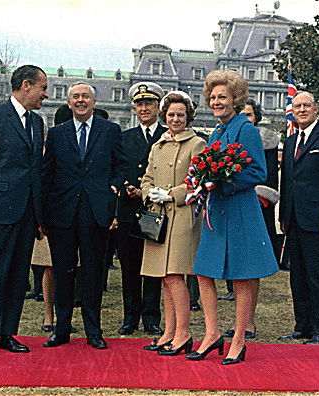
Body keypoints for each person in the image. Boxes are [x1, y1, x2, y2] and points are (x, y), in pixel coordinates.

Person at [189, 71, 278, 365]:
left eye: (222, 97)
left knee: (241, 276)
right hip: (217, 213)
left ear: (235, 99)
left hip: (240, 210)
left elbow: (257, 173)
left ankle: (238, 340)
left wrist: (222, 181)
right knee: (203, 271)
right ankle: (212, 333)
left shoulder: (247, 130)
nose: (216, 102)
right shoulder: (216, 132)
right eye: (213, 97)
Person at [0, 65, 48, 358]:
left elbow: (35, 170)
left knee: (17, 275)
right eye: (42, 87)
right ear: (26, 86)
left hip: (27, 212)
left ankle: (6, 333)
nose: (45, 94)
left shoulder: (37, 123)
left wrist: (39, 215)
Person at [41, 82, 128, 350]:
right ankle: (61, 329)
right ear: (68, 103)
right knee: (63, 272)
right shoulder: (56, 134)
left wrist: (113, 188)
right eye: (75, 96)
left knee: (92, 273)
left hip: (96, 211)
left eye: (85, 96)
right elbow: (47, 173)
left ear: (94, 102)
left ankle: (93, 330)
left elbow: (121, 164)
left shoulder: (110, 130)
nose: (80, 101)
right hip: (62, 213)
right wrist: (43, 214)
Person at [139, 91, 206, 355]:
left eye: (180, 114)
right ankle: (168, 331)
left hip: (181, 216)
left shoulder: (197, 144)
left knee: (175, 276)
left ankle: (183, 333)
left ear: (188, 116)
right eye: (171, 115)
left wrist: (173, 193)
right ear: (164, 116)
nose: (175, 119)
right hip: (158, 217)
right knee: (164, 278)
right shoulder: (158, 145)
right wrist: (150, 192)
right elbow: (146, 176)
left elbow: (198, 180)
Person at [278, 91, 319, 345]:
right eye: (297, 106)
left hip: (318, 219)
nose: (302, 110)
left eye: (307, 105)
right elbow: (287, 182)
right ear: (292, 111)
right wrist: (284, 215)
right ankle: (302, 326)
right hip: (293, 218)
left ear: (316, 109)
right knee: (297, 275)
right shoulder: (291, 141)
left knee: (317, 275)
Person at [222, 98, 279, 340]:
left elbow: (269, 177)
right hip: (231, 204)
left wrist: (259, 195)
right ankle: (239, 319)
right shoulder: (227, 135)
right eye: (241, 114)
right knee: (235, 265)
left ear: (256, 118)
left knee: (250, 267)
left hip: (258, 205)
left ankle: (249, 322)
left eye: (249, 115)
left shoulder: (265, 142)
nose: (245, 119)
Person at [115, 82, 166, 336]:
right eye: (139, 104)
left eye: (149, 103)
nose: (144, 108)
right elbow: (116, 169)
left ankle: (151, 317)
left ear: (159, 106)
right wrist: (126, 187)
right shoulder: (124, 137)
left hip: (156, 208)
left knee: (154, 266)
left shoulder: (167, 135)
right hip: (129, 209)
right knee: (130, 266)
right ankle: (130, 317)